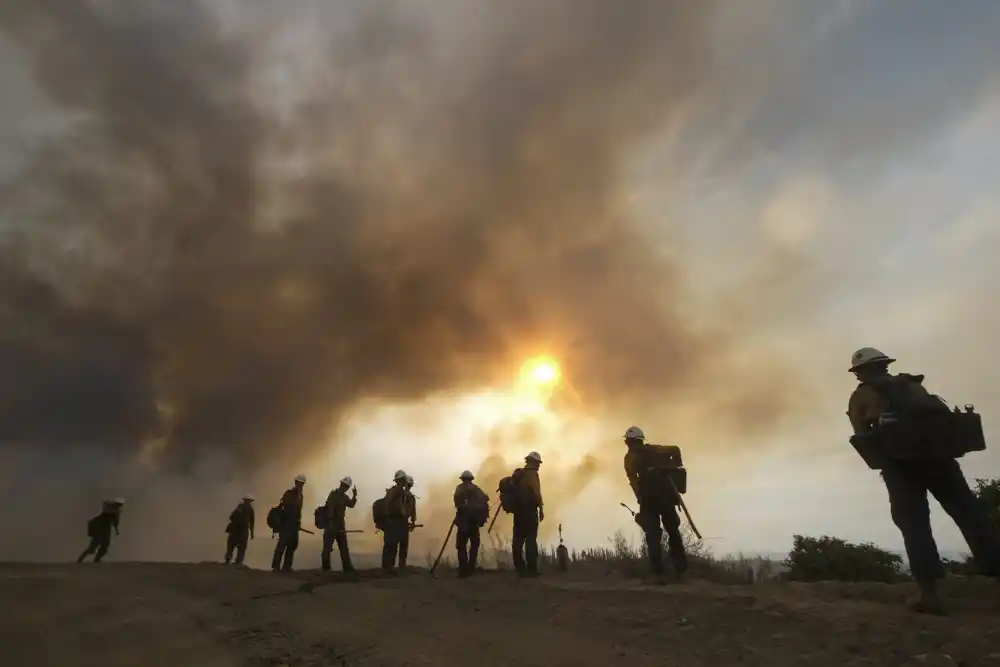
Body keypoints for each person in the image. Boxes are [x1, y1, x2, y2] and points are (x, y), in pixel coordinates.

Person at [847, 347, 1000, 615]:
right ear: (885, 365)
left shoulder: (861, 396)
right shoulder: (913, 386)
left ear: (860, 372)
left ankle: (929, 595)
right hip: (941, 460)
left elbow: (862, 436)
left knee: (914, 525)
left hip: (900, 466)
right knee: (971, 516)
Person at [623, 426, 688, 583]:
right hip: (666, 497)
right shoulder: (656, 450)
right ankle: (680, 570)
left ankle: (658, 573)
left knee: (653, 535)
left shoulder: (630, 457)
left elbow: (633, 480)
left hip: (649, 500)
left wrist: (639, 496)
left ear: (629, 442)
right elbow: (676, 449)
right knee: (673, 532)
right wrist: (675, 465)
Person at [512, 451, 544, 577]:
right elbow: (537, 493)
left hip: (518, 513)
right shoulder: (532, 474)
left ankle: (520, 568)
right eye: (538, 463)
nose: (539, 466)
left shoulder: (518, 474)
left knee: (518, 540)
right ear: (532, 462)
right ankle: (532, 569)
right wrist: (541, 509)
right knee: (530, 540)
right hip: (529, 512)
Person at [453, 470, 489, 578]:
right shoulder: (477, 490)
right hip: (474, 523)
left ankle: (463, 570)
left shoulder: (459, 489)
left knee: (461, 546)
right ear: (471, 479)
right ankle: (471, 568)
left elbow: (457, 503)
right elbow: (485, 499)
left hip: (463, 522)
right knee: (474, 546)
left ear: (462, 479)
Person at [271, 474, 306, 573]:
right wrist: (297, 495)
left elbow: (299, 511)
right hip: (286, 523)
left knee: (292, 545)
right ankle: (276, 566)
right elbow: (289, 506)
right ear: (296, 483)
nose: (301, 485)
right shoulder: (289, 493)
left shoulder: (301, 496)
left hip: (294, 524)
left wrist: (298, 523)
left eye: (302, 484)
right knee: (282, 545)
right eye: (299, 483)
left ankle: (287, 566)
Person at [322, 476, 357, 573]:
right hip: (331, 524)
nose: (344, 487)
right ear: (341, 485)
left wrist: (354, 496)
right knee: (327, 548)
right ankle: (326, 568)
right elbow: (330, 509)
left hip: (340, 525)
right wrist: (330, 523)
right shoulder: (333, 495)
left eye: (346, 486)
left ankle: (347, 568)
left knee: (344, 548)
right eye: (344, 485)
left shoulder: (344, 497)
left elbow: (351, 505)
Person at [78, 498, 125, 563]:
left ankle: (96, 559)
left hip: (106, 531)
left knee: (104, 547)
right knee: (92, 548)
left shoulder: (115, 513)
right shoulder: (108, 511)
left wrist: (117, 530)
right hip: (100, 530)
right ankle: (80, 559)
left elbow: (115, 523)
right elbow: (105, 508)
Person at [380, 470, 410, 575]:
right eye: (403, 480)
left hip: (397, 520)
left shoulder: (401, 491)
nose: (404, 481)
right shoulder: (395, 491)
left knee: (394, 544)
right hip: (393, 520)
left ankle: (389, 567)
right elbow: (387, 504)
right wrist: (388, 518)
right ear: (400, 480)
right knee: (391, 544)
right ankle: (387, 567)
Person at [225, 494, 255, 565]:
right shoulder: (250, 509)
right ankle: (237, 561)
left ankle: (230, 560)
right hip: (241, 530)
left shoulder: (242, 508)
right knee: (239, 546)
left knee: (233, 545)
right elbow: (252, 522)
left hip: (237, 530)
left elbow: (231, 517)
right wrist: (252, 533)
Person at [399, 475, 418, 570]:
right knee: (403, 544)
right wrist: (413, 522)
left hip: (399, 522)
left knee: (397, 544)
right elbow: (413, 511)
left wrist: (413, 521)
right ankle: (401, 566)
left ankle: (394, 567)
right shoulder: (407, 496)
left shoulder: (399, 494)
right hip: (402, 522)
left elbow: (413, 511)